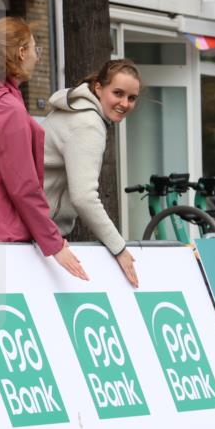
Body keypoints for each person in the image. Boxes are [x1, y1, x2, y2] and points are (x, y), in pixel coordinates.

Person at [0, 16, 87, 281]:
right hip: (4, 243)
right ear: (21, 53)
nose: (37, 56)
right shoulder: (7, 109)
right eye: (36, 48)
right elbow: (24, 186)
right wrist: (54, 243)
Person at [43, 59, 141, 287]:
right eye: (118, 93)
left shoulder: (77, 111)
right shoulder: (88, 124)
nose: (125, 103)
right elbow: (84, 197)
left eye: (132, 97)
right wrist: (119, 247)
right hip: (35, 231)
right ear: (98, 88)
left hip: (33, 228)